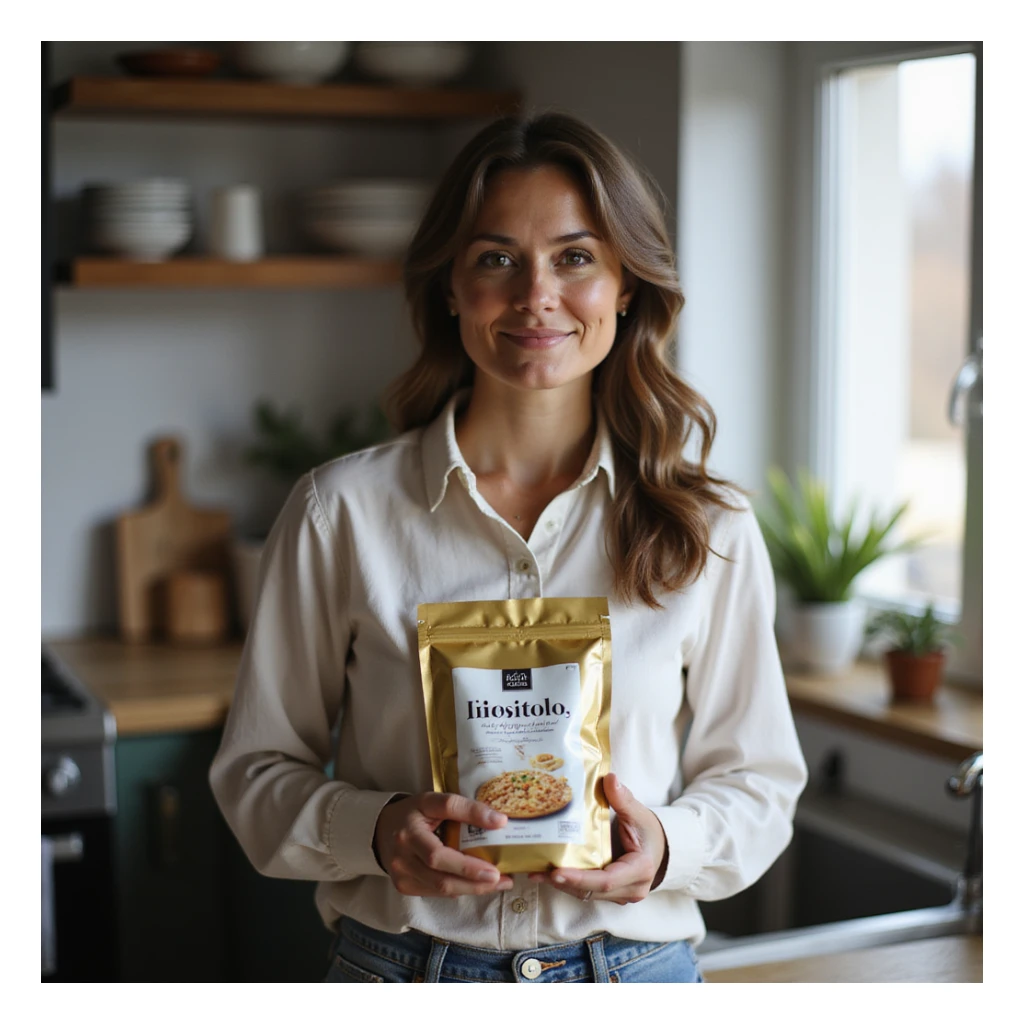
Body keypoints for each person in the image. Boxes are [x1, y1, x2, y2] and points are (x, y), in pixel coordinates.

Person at [209, 110, 808, 984]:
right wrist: (376, 832)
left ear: (626, 286)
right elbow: (256, 773)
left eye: (576, 258)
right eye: (497, 259)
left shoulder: (708, 525)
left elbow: (759, 781)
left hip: (635, 972)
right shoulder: (338, 513)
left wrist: (670, 844)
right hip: (401, 972)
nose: (536, 296)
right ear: (450, 287)